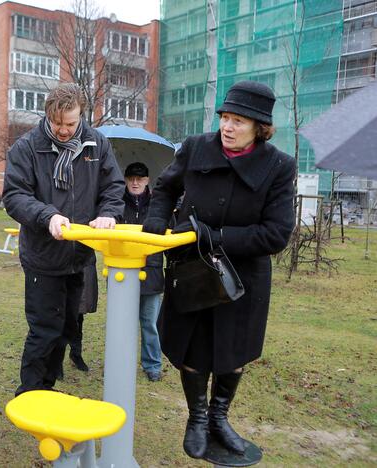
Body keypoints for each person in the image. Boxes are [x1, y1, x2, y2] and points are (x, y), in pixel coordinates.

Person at [143, 81, 295, 458]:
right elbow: (163, 188)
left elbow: (276, 234)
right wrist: (156, 225)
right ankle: (196, 418)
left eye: (238, 121)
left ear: (260, 128)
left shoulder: (279, 166)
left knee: (234, 352)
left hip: (243, 279)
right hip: (192, 270)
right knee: (193, 349)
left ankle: (218, 419)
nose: (227, 127)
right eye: (225, 118)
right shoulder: (196, 148)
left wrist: (214, 236)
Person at [3, 82, 125, 395]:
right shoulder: (27, 148)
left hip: (79, 256)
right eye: (57, 123)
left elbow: (113, 186)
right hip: (43, 257)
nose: (63, 130)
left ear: (81, 115)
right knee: (44, 330)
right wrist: (48, 216)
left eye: (70, 124)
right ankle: (30, 391)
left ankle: (47, 387)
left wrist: (109, 213)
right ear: (47, 116)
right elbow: (15, 196)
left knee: (67, 328)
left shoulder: (97, 144)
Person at [121, 162, 164, 382]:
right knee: (123, 323)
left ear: (147, 180)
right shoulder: (117, 204)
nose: (135, 182)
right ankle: (121, 361)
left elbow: (168, 233)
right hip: (123, 273)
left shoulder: (159, 204)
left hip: (152, 272)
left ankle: (152, 364)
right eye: (131, 178)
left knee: (150, 323)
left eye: (140, 178)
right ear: (126, 180)